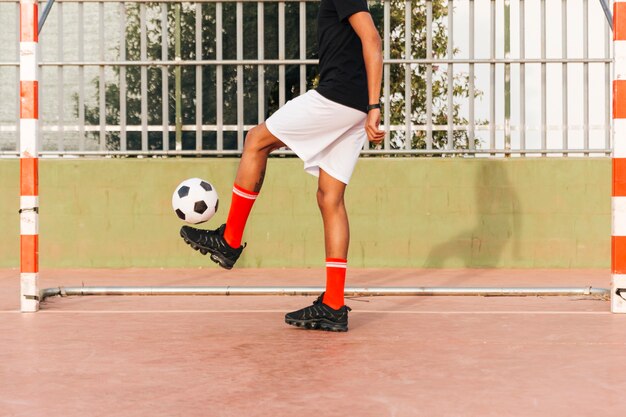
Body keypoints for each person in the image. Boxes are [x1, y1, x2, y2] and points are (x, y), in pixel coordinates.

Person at [180, 0, 384, 332]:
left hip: (338, 98)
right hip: (354, 107)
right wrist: (368, 107)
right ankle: (333, 305)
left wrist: (375, 105)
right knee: (329, 198)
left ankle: (229, 240)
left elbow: (372, 39)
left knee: (255, 140)